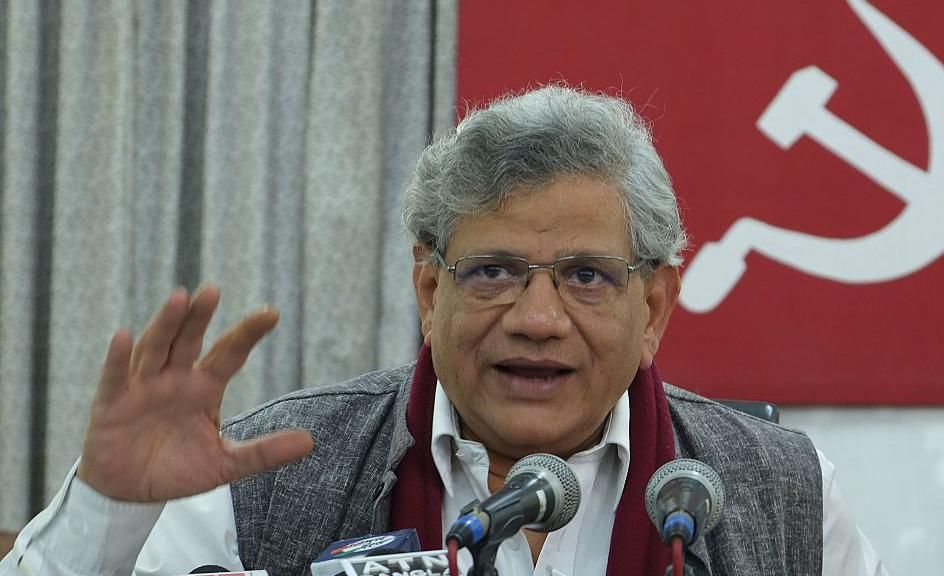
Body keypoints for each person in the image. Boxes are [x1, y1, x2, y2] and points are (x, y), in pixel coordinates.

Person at [0, 85, 887, 576]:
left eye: (585, 276)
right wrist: (113, 510)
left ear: (652, 307)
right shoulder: (265, 473)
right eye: (493, 272)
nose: (537, 320)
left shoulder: (784, 492)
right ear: (429, 288)